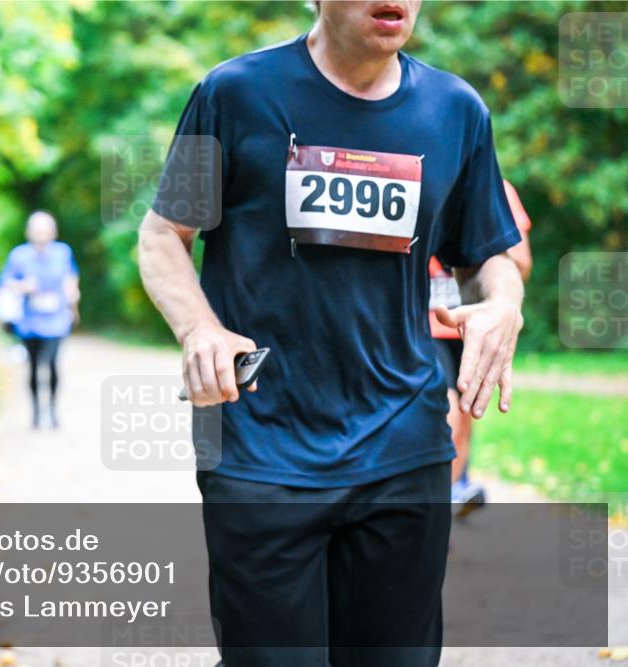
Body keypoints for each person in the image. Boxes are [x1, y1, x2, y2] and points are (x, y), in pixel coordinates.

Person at [138, 1, 525, 665]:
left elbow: (489, 249)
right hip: (261, 446)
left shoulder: (456, 110)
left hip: (404, 446)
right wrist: (198, 327)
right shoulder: (234, 93)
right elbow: (162, 236)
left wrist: (504, 301)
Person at [433, 179, 533, 515]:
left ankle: (447, 501)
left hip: (473, 328)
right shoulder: (423, 170)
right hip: (423, 323)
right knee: (445, 412)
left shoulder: (498, 190)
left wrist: (480, 266)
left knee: (463, 416)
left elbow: (521, 262)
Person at [0, 211, 80, 429]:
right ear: (29, 232)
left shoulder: (63, 252)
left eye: (45, 230)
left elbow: (70, 278)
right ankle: (36, 411)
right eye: (37, 230)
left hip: (57, 320)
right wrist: (23, 286)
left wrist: (74, 304)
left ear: (53, 232)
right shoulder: (19, 255)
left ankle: (52, 408)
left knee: (52, 364)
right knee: (33, 367)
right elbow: (6, 282)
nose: (41, 235)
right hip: (30, 322)